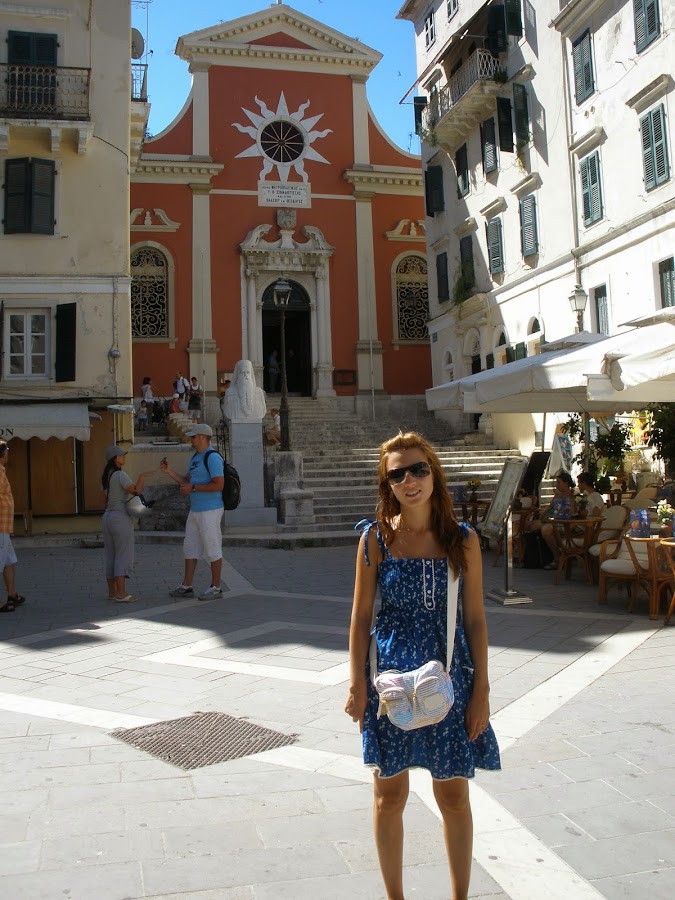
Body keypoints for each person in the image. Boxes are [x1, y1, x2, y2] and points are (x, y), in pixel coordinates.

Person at [345, 432, 500, 900]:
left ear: (434, 473)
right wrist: (357, 685)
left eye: (418, 469)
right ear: (386, 483)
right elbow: (359, 616)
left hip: (450, 679)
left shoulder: (463, 540)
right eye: (398, 473)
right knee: (388, 797)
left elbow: (474, 618)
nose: (409, 480)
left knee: (453, 796)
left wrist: (482, 692)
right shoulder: (375, 539)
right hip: (391, 684)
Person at [160, 424, 225, 601]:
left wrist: (194, 487)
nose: (191, 439)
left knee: (212, 547)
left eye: (194, 437)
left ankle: (216, 587)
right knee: (190, 547)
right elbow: (185, 481)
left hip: (210, 509)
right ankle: (186, 586)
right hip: (196, 509)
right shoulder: (195, 457)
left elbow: (219, 484)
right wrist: (169, 472)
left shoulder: (212, 457)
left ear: (203, 437)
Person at [101, 446, 154, 603]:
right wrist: (142, 477)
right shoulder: (120, 474)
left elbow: (102, 499)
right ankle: (122, 593)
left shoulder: (105, 476)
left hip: (107, 517)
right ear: (115, 458)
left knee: (110, 555)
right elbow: (136, 491)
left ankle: (112, 592)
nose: (123, 456)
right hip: (120, 517)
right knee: (122, 555)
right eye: (121, 455)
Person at [526, 470, 576, 570]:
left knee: (546, 530)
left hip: (563, 522)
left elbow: (572, 513)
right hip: (552, 520)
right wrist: (542, 517)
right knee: (529, 525)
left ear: (566, 483)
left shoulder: (572, 497)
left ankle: (557, 557)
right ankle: (528, 557)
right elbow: (549, 509)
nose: (557, 485)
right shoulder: (557, 496)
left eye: (559, 483)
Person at [0, 440, 25, 613]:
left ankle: (12, 595)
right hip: (0, 525)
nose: (8, 453)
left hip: (4, 525)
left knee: (9, 561)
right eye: (7, 450)